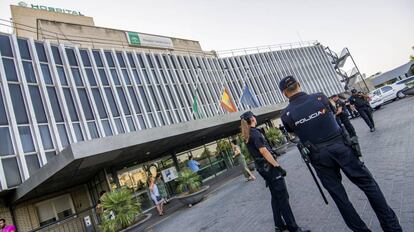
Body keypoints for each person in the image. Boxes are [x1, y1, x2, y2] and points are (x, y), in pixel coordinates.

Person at [279, 76, 402, 232]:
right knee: (369, 185)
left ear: (284, 93)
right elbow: (330, 114)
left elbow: (294, 131)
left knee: (340, 198)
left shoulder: (286, 114)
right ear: (299, 84)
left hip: (319, 156)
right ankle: (392, 228)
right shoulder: (320, 97)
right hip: (341, 147)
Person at [240, 111, 310, 232]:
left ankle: (279, 225)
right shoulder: (255, 133)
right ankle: (294, 228)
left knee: (276, 197)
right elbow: (263, 151)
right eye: (254, 117)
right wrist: (277, 166)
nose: (256, 118)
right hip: (270, 169)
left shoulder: (248, 134)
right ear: (252, 119)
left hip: (264, 170)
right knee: (283, 197)